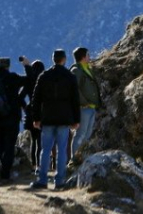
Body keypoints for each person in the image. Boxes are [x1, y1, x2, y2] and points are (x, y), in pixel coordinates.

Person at [29, 49, 80, 190]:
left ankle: (42, 180)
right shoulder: (70, 76)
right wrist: (76, 119)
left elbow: (36, 99)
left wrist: (36, 117)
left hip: (47, 117)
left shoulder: (44, 76)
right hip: (64, 118)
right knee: (62, 150)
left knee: (45, 150)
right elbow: (75, 100)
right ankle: (60, 181)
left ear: (53, 59)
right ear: (64, 59)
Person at [0, 57, 25, 182]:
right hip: (12, 116)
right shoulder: (13, 78)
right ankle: (5, 174)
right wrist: (27, 66)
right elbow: (30, 80)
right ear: (8, 66)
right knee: (9, 145)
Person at [70, 47, 102, 159]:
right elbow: (74, 89)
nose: (90, 56)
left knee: (87, 135)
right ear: (83, 57)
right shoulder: (76, 71)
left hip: (92, 107)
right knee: (80, 133)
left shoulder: (87, 68)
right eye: (88, 55)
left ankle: (82, 157)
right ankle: (74, 158)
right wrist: (84, 102)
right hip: (84, 107)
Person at [19, 58, 46, 174]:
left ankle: (33, 165)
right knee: (40, 140)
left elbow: (20, 97)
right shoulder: (44, 81)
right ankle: (40, 165)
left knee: (34, 141)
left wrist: (26, 108)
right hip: (42, 113)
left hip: (30, 114)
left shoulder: (28, 83)